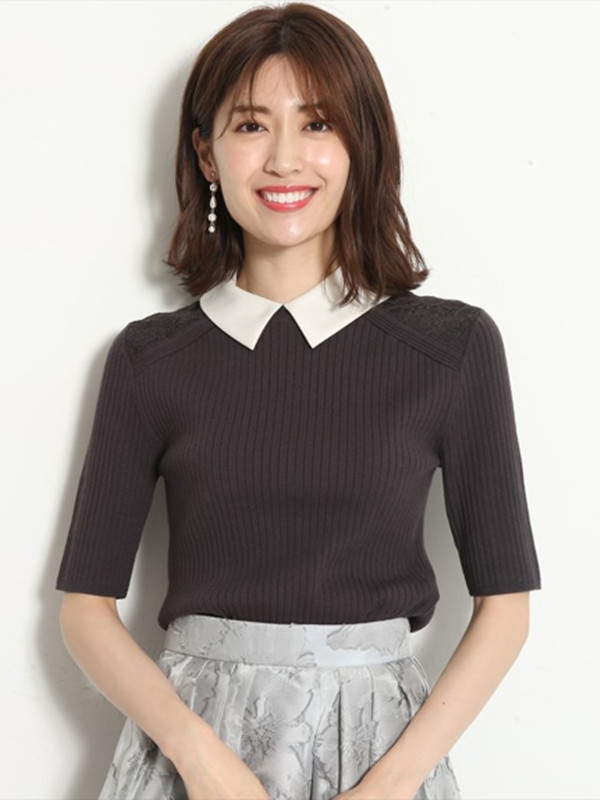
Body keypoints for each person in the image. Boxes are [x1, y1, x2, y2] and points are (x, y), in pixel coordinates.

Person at [55, 3, 542, 799]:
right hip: (190, 754)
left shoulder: (452, 349)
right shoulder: (149, 360)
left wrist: (393, 782)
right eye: (251, 125)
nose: (284, 159)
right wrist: (196, 755)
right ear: (207, 154)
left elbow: (506, 609)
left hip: (382, 750)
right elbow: (84, 611)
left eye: (318, 123)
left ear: (360, 144)